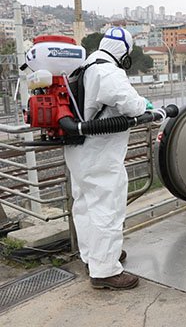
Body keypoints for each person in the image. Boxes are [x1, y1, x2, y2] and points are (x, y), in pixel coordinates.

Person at [64, 27, 148, 290]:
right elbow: (133, 106)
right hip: (99, 153)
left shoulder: (86, 65)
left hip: (78, 150)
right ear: (124, 52)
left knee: (85, 205)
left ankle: (94, 256)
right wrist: (148, 106)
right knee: (107, 208)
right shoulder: (108, 72)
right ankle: (106, 271)